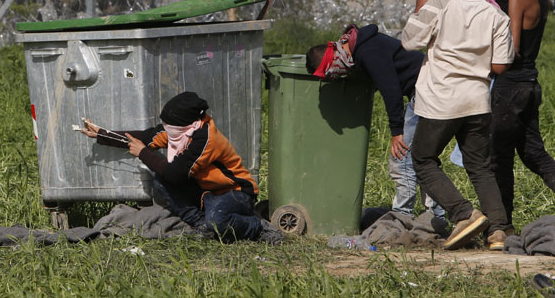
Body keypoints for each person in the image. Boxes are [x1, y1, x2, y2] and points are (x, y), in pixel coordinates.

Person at [401, 0, 514, 251]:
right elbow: (500, 66)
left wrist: (419, 8)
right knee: (480, 166)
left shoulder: (438, 5)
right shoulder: (496, 14)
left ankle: (464, 214)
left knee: (423, 159)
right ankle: (498, 230)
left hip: (441, 100)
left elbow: (409, 41)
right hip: (477, 101)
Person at [80, 91, 280, 243]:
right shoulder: (181, 131)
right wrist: (102, 134)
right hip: (207, 193)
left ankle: (258, 226)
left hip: (234, 192)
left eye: (170, 126)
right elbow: (145, 137)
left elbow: (175, 174)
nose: (166, 130)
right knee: (161, 180)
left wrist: (143, 153)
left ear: (188, 124)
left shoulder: (206, 140)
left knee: (217, 221)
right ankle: (202, 225)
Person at [305, 24, 445, 221]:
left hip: (425, 91)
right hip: (429, 88)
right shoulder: (357, 47)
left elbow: (391, 91)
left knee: (401, 157)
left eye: (331, 74)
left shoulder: (368, 52)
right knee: (422, 157)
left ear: (332, 62)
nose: (336, 76)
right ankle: (436, 216)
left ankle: (403, 216)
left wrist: (397, 132)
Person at [488, 0, 555, 232]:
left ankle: (502, 225)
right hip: (529, 85)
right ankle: (503, 223)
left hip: (510, 87)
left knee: (499, 156)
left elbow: (512, 48)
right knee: (533, 154)